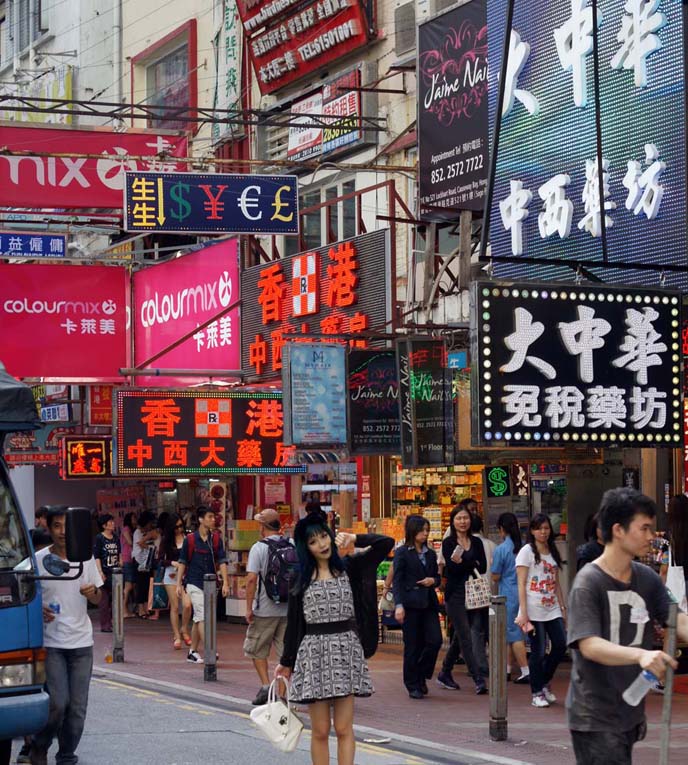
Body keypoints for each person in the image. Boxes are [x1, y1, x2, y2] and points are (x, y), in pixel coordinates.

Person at [566, 488, 688, 764]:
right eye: (644, 528)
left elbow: (676, 617)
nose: (650, 537)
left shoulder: (647, 578)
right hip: (594, 716)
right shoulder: (588, 582)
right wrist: (641, 655)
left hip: (630, 710)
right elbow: (589, 645)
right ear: (618, 530)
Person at [275, 514, 393, 765]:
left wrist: (355, 538)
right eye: (313, 541)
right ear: (305, 548)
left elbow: (386, 543)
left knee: (343, 728)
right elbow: (295, 622)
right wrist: (286, 661)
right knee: (319, 730)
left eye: (323, 536)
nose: (322, 544)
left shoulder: (350, 567)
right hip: (313, 651)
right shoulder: (300, 578)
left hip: (345, 649)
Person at [30, 507, 103, 765]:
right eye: (57, 526)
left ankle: (67, 755)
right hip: (51, 644)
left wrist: (92, 593)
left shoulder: (85, 558)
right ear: (48, 528)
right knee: (58, 704)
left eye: (66, 526)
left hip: (82, 644)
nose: (62, 532)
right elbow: (22, 594)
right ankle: (40, 744)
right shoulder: (36, 561)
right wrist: (37, 608)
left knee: (77, 710)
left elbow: (98, 597)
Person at [515, 513, 567, 708]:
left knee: (561, 645)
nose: (543, 532)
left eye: (546, 528)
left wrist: (563, 608)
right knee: (538, 652)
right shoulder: (526, 551)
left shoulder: (552, 550)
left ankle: (543, 681)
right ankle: (537, 691)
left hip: (552, 607)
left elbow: (556, 583)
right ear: (532, 531)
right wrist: (523, 611)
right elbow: (521, 583)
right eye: (539, 528)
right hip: (533, 608)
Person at [244, 509, 295, 706]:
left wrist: (249, 608)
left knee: (257, 649)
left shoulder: (258, 548)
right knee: (285, 653)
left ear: (263, 527)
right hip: (288, 609)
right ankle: (281, 694)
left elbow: (251, 580)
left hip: (265, 610)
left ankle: (266, 687)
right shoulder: (291, 544)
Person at [437, 505, 489, 694]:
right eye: (459, 518)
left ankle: (444, 672)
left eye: (465, 518)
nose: (463, 521)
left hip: (473, 592)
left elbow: (482, 566)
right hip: (455, 593)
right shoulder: (449, 543)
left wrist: (464, 561)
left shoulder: (476, 542)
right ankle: (478, 679)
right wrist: (469, 562)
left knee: (460, 636)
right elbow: (452, 567)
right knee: (466, 635)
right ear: (453, 521)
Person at [392, 515, 443, 699]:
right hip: (410, 603)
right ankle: (412, 683)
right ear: (413, 531)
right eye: (422, 530)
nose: (425, 533)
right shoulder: (402, 552)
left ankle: (422, 673)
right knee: (412, 645)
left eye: (427, 530)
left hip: (428, 603)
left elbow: (437, 577)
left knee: (435, 640)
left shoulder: (430, 553)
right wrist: (399, 605)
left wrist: (433, 580)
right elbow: (397, 580)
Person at [176, 506, 229, 663]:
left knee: (199, 619)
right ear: (200, 519)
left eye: (214, 517)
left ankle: (192, 652)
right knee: (202, 616)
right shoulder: (190, 540)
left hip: (211, 585)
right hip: (193, 582)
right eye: (210, 517)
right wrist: (179, 583)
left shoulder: (216, 539)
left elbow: (223, 561)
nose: (213, 520)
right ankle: (210, 649)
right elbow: (183, 562)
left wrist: (226, 582)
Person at [491, 512, 529, 684]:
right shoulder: (524, 547)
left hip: (508, 593)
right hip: (524, 593)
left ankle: (525, 670)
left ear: (502, 529)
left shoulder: (501, 550)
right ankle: (507, 669)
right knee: (511, 633)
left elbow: (495, 575)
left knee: (513, 634)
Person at [158, 513, 192, 649]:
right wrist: (173, 563)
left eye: (181, 526)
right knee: (175, 606)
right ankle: (177, 635)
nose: (179, 529)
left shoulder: (188, 539)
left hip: (185, 576)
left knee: (187, 605)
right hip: (171, 574)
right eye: (176, 527)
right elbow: (159, 560)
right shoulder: (166, 541)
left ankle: (184, 628)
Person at [93, 513, 120, 633]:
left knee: (116, 599)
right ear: (104, 525)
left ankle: (114, 622)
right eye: (110, 522)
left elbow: (119, 553)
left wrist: (120, 563)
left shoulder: (115, 537)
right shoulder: (99, 538)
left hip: (115, 571)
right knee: (104, 601)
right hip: (104, 572)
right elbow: (97, 556)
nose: (113, 524)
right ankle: (105, 625)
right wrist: (100, 572)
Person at [132, 511, 157, 618]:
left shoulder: (146, 532)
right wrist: (151, 546)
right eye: (149, 523)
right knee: (140, 585)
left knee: (146, 585)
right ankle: (141, 610)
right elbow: (140, 544)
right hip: (138, 561)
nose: (150, 525)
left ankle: (146, 608)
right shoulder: (137, 532)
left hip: (146, 562)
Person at [120, 512, 137, 618]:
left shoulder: (130, 529)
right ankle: (123, 609)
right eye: (133, 518)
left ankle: (124, 609)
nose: (135, 519)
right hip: (127, 558)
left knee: (131, 585)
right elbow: (130, 542)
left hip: (130, 559)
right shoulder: (126, 529)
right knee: (128, 585)